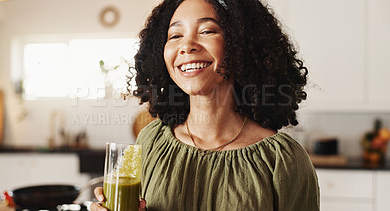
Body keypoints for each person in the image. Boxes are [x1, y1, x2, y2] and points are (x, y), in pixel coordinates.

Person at [91, 0, 320, 210]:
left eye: (207, 31)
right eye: (175, 35)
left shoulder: (283, 160)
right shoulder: (149, 141)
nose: (187, 46)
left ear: (240, 43)